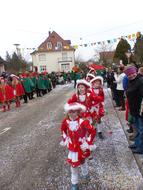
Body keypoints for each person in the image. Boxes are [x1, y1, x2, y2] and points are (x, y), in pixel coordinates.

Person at [60, 102, 96, 190]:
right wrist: (66, 139)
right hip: (73, 148)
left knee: (83, 161)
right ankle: (74, 183)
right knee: (73, 166)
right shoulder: (66, 121)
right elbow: (63, 130)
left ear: (78, 112)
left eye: (74, 112)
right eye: (70, 112)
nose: (72, 114)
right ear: (67, 112)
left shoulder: (83, 122)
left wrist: (87, 142)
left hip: (81, 147)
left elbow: (92, 131)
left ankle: (85, 174)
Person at [125, 66, 143, 154]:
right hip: (134, 110)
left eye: (133, 73)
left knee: (141, 129)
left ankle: (141, 148)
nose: (131, 75)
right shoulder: (131, 81)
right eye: (129, 74)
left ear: (136, 72)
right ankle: (137, 143)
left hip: (140, 110)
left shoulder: (140, 81)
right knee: (136, 128)